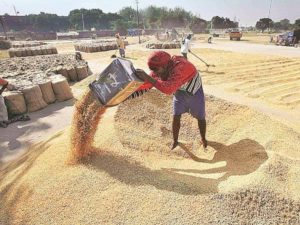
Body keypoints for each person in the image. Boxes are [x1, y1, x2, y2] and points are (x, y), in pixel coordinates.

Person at [133, 51, 207, 149]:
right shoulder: (161, 67)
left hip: (194, 90)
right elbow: (147, 85)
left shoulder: (181, 67)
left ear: (165, 65)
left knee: (200, 116)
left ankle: (203, 139)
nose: (154, 73)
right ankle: (175, 141)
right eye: (153, 70)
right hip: (180, 90)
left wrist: (149, 78)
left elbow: (168, 89)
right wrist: (126, 94)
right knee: (176, 115)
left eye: (156, 70)